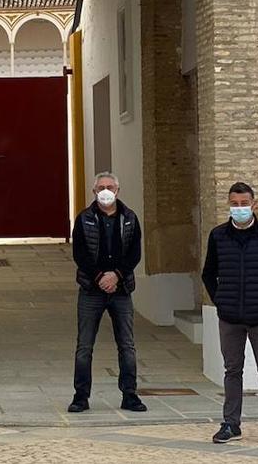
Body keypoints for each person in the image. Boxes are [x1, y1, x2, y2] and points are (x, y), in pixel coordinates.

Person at [202, 181, 258, 446]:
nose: (239, 208)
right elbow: (208, 273)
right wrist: (219, 300)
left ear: (253, 205)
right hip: (230, 316)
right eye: (234, 204)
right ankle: (231, 423)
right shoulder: (218, 235)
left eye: (244, 204)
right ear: (228, 205)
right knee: (232, 370)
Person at [67, 172, 146, 414]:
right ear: (94, 191)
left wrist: (117, 276)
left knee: (127, 345)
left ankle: (130, 394)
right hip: (92, 290)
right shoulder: (84, 219)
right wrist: (100, 277)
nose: (105, 190)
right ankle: (81, 396)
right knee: (84, 346)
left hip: (121, 291)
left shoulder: (130, 218)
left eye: (110, 186)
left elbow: (134, 253)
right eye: (101, 187)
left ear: (117, 190)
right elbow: (80, 254)